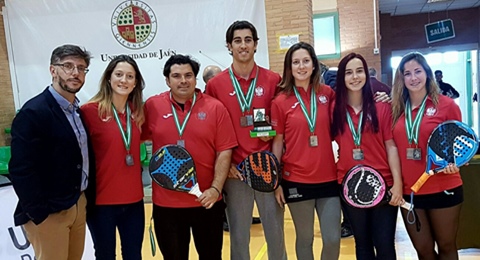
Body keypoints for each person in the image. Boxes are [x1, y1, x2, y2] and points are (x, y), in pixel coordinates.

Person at [205, 20, 287, 260]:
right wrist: (224, 166)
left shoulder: (273, 80)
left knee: (276, 236)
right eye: (237, 41)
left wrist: (278, 167)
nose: (243, 45)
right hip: (236, 172)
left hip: (268, 172)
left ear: (256, 45)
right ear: (229, 46)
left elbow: (283, 126)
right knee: (239, 238)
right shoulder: (215, 85)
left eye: (248, 40)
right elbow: (210, 132)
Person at [142, 54, 237, 259]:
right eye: (176, 76)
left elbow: (224, 151)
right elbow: (135, 139)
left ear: (196, 78)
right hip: (166, 205)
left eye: (188, 75)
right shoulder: (152, 106)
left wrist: (215, 189)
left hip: (207, 201)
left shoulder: (215, 108)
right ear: (167, 80)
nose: (183, 80)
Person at [9, 44, 95, 260]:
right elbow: (21, 169)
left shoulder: (77, 111)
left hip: (77, 203)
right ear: (53, 70)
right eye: (68, 66)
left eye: (81, 68)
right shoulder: (33, 112)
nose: (75, 73)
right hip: (50, 212)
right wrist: (39, 213)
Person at [271, 42, 341, 260]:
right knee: (305, 238)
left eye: (305, 61)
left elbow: (344, 123)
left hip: (328, 178)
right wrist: (276, 181)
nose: (301, 66)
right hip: (296, 179)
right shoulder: (280, 101)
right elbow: (277, 143)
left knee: (332, 238)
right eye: (296, 62)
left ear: (313, 64)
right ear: (289, 68)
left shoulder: (327, 94)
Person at [332, 53, 403, 259]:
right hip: (349, 184)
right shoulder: (334, 109)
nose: (355, 77)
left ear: (366, 74)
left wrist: (396, 184)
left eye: (359, 71)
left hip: (383, 183)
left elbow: (391, 146)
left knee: (384, 244)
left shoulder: (382, 106)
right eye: (349, 72)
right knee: (362, 245)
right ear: (342, 78)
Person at [392, 52, 462, 259]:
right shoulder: (396, 109)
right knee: (423, 250)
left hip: (444, 186)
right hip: (410, 191)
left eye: (418, 71)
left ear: (427, 74)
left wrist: (456, 162)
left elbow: (459, 143)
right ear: (401, 79)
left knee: (447, 246)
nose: (413, 78)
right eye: (407, 74)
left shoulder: (446, 105)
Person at [81, 55, 145, 260]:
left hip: (134, 201)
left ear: (135, 83)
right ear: (109, 78)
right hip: (101, 202)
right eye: (119, 75)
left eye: (129, 76)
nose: (123, 80)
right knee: (106, 255)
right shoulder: (89, 111)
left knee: (133, 255)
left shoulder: (140, 113)